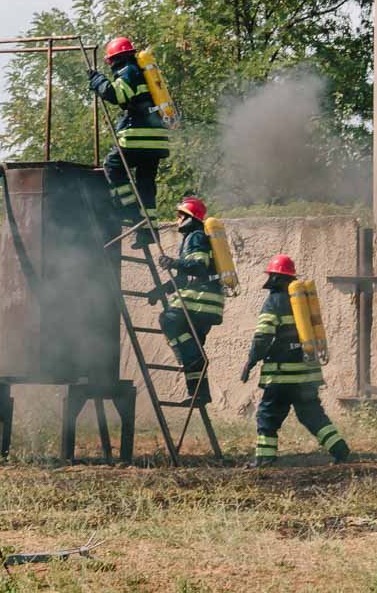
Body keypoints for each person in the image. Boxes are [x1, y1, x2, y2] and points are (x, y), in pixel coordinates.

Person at [240, 254, 351, 467]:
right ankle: (340, 449)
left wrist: (251, 361)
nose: (269, 279)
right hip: (307, 375)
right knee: (312, 415)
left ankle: (264, 459)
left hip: (282, 377)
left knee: (267, 416)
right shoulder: (304, 301)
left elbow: (263, 337)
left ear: (277, 278)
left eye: (272, 275)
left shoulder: (274, 301)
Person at [88, 37, 170, 247]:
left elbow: (117, 95)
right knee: (145, 184)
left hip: (137, 136)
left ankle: (131, 211)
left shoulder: (128, 71)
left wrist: (97, 80)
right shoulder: (143, 72)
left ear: (114, 59)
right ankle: (148, 231)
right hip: (157, 140)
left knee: (113, 166)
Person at [147, 196, 223, 405]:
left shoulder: (196, 236)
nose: (177, 219)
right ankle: (199, 394)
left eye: (180, 215)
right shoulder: (191, 239)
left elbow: (199, 266)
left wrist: (173, 262)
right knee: (192, 350)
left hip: (199, 301)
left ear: (190, 216)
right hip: (206, 303)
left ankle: (193, 356)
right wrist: (159, 291)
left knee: (168, 320)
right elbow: (183, 279)